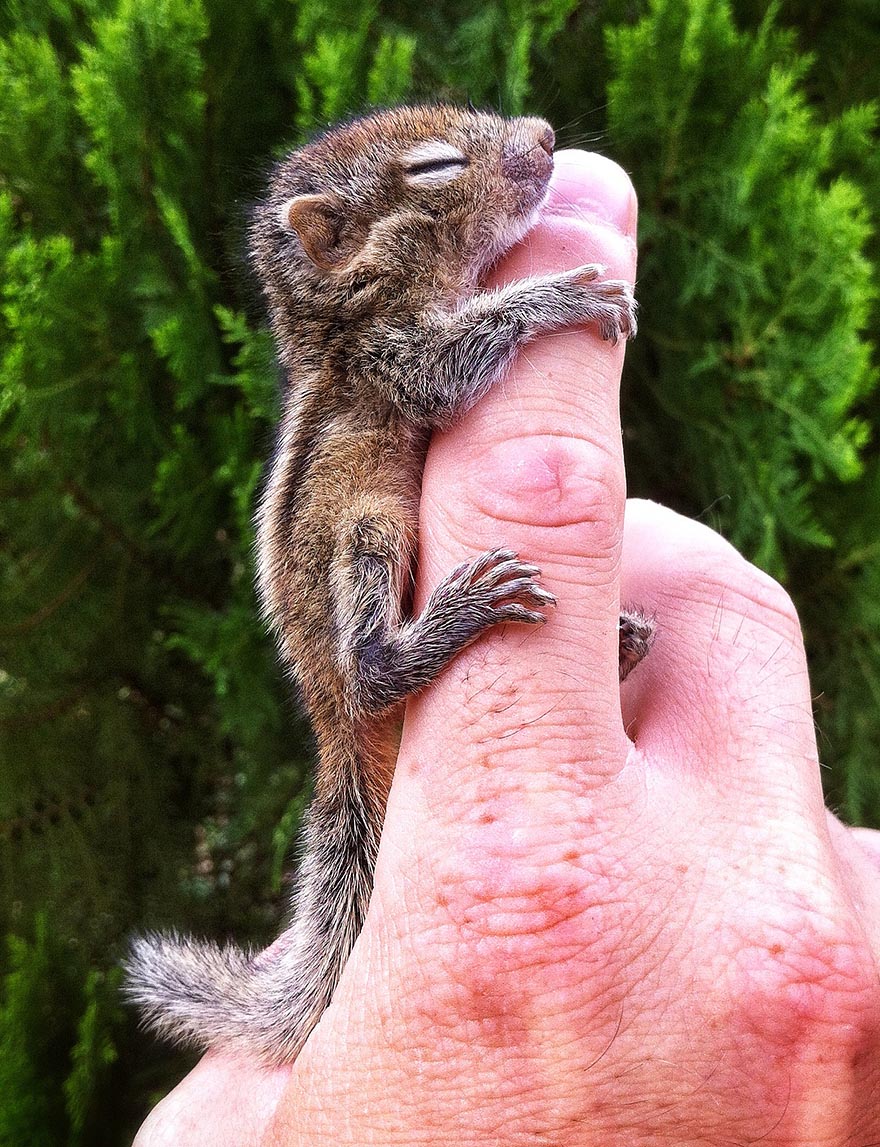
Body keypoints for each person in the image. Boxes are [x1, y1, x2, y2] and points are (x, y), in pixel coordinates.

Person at [134, 151, 880, 1146]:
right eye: (442, 165)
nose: (518, 141)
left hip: (404, 614)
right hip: (369, 625)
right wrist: (545, 306)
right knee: (375, 548)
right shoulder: (370, 353)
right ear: (335, 240)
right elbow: (432, 370)